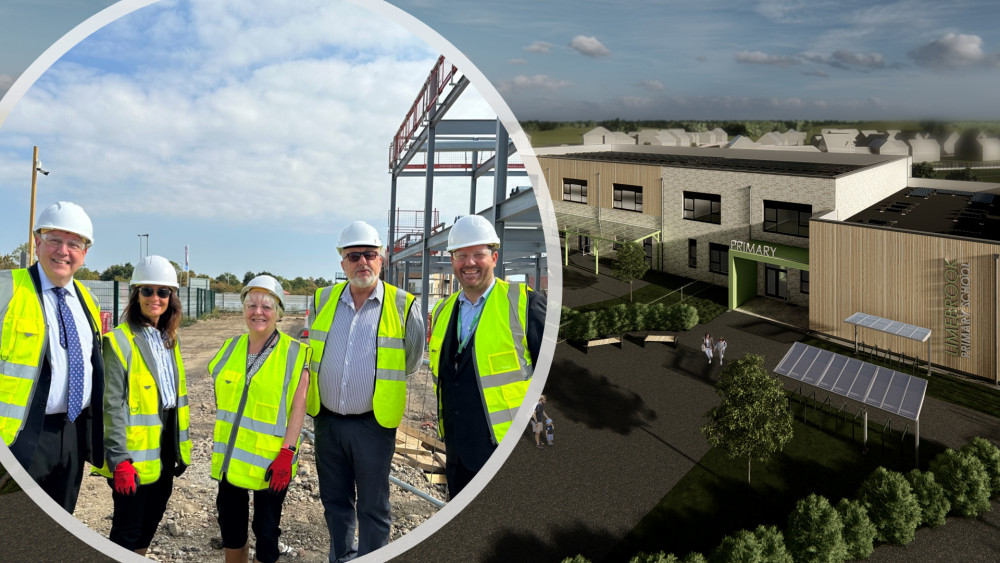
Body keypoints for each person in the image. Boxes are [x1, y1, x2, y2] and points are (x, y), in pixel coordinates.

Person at [307, 221, 424, 563]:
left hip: (373, 425)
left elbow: (411, 360)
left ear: (382, 258)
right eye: (353, 255)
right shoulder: (322, 300)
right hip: (328, 421)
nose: (362, 262)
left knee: (373, 506)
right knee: (335, 501)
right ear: (342, 262)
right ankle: (341, 557)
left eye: (370, 254)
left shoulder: (403, 305)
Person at [428, 214, 547, 499]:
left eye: (478, 255)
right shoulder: (443, 312)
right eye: (461, 255)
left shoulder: (525, 304)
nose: (469, 263)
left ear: (494, 257)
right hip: (457, 457)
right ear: (452, 261)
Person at [0, 201, 104, 514]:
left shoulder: (88, 300)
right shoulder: (8, 289)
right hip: (18, 438)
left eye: (74, 243)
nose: (63, 251)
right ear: (37, 243)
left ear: (84, 253)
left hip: (71, 436)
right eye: (54, 240)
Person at [208, 275, 311, 563]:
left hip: (271, 462)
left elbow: (298, 408)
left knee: (266, 533)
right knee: (232, 530)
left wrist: (287, 453)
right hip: (232, 459)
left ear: (278, 312)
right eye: (252, 304)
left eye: (266, 306)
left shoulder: (294, 352)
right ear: (243, 309)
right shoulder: (231, 347)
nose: (258, 312)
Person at [94, 256, 191, 555]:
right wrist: (119, 459)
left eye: (163, 292)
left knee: (150, 522)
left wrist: (176, 448)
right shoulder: (119, 341)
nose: (155, 298)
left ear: (171, 298)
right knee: (127, 529)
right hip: (133, 454)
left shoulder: (169, 340)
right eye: (147, 290)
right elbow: (110, 405)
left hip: (163, 447)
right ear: (135, 294)